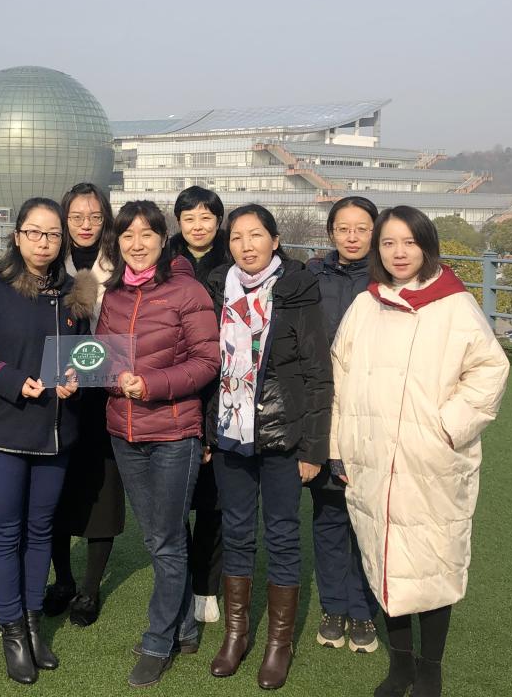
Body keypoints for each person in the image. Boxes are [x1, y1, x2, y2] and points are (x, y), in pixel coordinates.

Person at [330, 206, 510, 697]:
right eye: (388, 243)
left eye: (409, 242)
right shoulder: (366, 305)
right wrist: (339, 445)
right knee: (385, 560)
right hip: (372, 459)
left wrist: (447, 427)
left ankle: (430, 669)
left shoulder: (454, 305)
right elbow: (340, 378)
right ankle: (401, 665)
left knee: (432, 564)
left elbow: (490, 370)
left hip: (431, 462)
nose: (399, 252)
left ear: (426, 245)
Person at [0, 197, 96, 685]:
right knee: (5, 531)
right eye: (34, 232)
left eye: (52, 234)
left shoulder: (75, 293)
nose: (43, 242)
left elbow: (82, 356)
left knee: (40, 531)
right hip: (4, 429)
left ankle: (33, 624)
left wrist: (75, 378)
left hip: (57, 432)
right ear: (17, 236)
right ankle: (11, 630)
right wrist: (11, 381)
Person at [203, 204, 333, 690]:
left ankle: (279, 643)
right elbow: (209, 366)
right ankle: (236, 635)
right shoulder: (217, 287)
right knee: (236, 530)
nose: (246, 245)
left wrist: (313, 449)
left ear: (275, 240)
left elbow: (318, 373)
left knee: (281, 534)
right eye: (237, 237)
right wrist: (208, 430)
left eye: (256, 235)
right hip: (230, 432)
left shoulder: (297, 288)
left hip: (284, 434)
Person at [95, 200, 220, 688]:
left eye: (147, 234)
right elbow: (102, 358)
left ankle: (158, 639)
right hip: (125, 434)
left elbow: (207, 362)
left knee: (165, 541)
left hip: (173, 433)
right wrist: (95, 374)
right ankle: (186, 628)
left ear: (163, 240)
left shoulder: (187, 291)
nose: (137, 243)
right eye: (128, 235)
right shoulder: (113, 295)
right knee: (159, 537)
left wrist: (150, 385)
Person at [43, 182, 124, 627]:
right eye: (76, 217)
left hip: (108, 389)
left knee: (102, 489)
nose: (86, 224)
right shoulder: (51, 262)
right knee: (55, 487)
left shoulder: (122, 262)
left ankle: (90, 589)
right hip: (59, 387)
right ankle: (63, 580)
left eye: (94, 216)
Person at [304, 196, 381, 654]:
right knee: (330, 513)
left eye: (362, 228)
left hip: (373, 414)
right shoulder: (312, 274)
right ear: (331, 231)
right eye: (344, 228)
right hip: (324, 410)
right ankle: (334, 606)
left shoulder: (388, 278)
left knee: (367, 517)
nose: (352, 237)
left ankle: (364, 609)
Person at [167, 185, 229, 624]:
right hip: (176, 384)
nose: (198, 226)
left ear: (218, 221)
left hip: (224, 387)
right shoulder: (164, 259)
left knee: (213, 500)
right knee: (174, 503)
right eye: (189, 218)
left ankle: (207, 586)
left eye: (206, 217)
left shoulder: (236, 258)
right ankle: (181, 579)